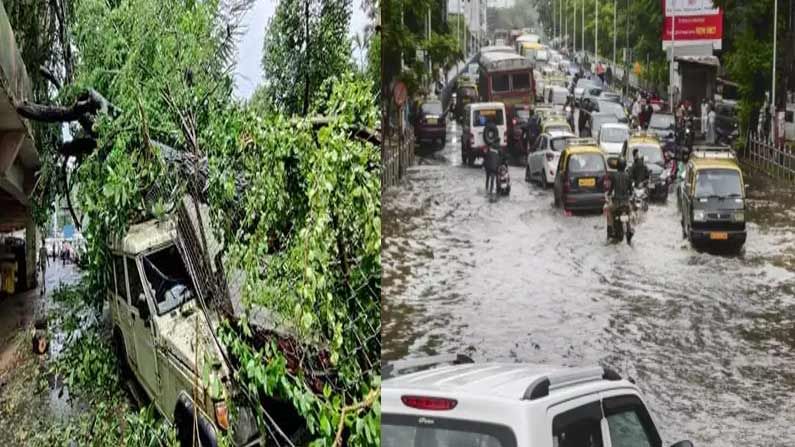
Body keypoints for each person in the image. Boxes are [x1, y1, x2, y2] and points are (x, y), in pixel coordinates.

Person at [607, 158, 633, 238]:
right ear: (625, 166)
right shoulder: (628, 175)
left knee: (608, 211)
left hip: (616, 204)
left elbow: (610, 190)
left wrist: (608, 195)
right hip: (626, 204)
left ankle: (610, 229)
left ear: (617, 166)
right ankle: (629, 228)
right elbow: (631, 191)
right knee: (630, 212)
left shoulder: (614, 176)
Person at [483, 122, 501, 195]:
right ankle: (493, 190)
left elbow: (485, 157)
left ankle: (487, 190)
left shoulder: (490, 148)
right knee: (494, 179)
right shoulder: (499, 150)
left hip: (488, 167)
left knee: (488, 178)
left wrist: (484, 165)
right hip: (494, 168)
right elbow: (501, 158)